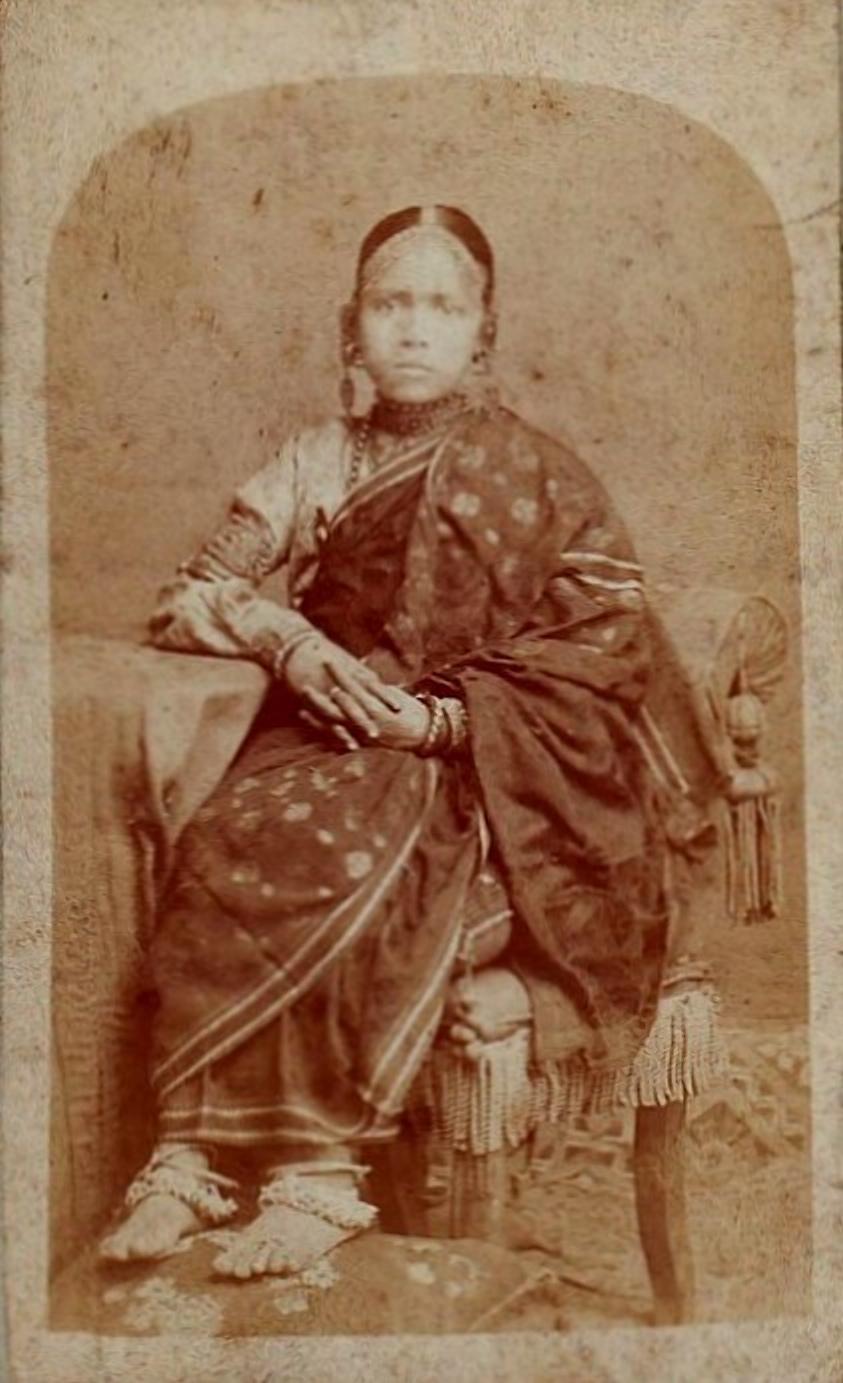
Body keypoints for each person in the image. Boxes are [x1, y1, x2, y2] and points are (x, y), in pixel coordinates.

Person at [100, 204, 680, 1280]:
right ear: (350, 327)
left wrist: (443, 721)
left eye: (442, 307)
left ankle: (317, 1172)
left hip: (480, 764)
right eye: (390, 303)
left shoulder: (540, 474)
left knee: (350, 847)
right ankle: (189, 1156)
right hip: (322, 731)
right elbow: (191, 593)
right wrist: (287, 643)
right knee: (223, 832)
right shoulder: (315, 461)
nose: (414, 327)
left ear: (482, 332)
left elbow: (606, 652)